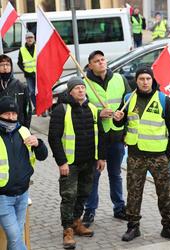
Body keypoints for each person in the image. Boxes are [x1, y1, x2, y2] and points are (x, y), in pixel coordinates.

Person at [112, 67, 170, 242]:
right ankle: (133, 227)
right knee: (134, 193)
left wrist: (169, 154)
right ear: (136, 81)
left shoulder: (163, 100)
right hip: (136, 156)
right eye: (141, 79)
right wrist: (117, 119)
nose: (145, 82)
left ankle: (168, 227)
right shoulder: (128, 99)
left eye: (148, 79)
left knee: (165, 193)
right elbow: (120, 124)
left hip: (159, 156)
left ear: (152, 80)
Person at [48, 76, 107, 249]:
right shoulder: (61, 109)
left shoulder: (92, 108)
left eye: (83, 87)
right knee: (69, 196)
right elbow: (54, 138)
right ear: (70, 91)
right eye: (77, 88)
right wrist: (62, 162)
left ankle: (76, 222)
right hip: (70, 164)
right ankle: (67, 230)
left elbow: (101, 134)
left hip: (89, 162)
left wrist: (101, 157)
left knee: (83, 194)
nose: (81, 90)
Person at [82, 50, 131, 227]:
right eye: (97, 61)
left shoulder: (120, 79)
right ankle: (90, 210)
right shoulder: (84, 84)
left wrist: (123, 119)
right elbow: (81, 110)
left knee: (115, 174)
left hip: (117, 136)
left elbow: (130, 106)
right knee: (94, 175)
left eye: (103, 59)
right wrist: (98, 113)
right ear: (90, 65)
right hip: (95, 138)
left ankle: (119, 208)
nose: (101, 62)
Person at [0, 96, 48, 250]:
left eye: (14, 114)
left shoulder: (24, 131)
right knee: (15, 237)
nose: (11, 117)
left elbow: (42, 156)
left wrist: (38, 143)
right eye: (7, 114)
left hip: (22, 194)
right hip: (3, 197)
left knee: (15, 238)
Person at [0, 54, 32, 128]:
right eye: (2, 65)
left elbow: (27, 109)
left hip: (17, 126)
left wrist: (26, 128)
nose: (5, 67)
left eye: (7, 65)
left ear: (11, 67)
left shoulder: (21, 86)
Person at [17, 32, 36, 110]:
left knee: (39, 91)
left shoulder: (38, 47)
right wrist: (25, 71)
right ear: (26, 39)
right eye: (28, 38)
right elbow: (19, 63)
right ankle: (36, 107)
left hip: (38, 74)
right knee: (31, 91)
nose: (30, 39)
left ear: (34, 38)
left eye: (31, 37)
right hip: (28, 75)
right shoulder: (22, 49)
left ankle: (43, 108)